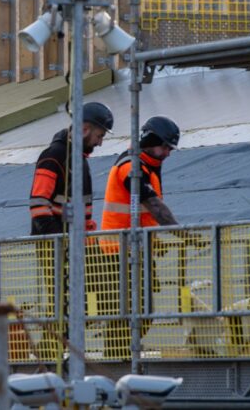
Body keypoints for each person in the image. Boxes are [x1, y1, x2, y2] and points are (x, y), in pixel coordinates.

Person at [28, 101, 114, 359]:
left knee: (106, 288)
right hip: (56, 245)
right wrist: (62, 243)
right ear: (85, 129)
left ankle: (111, 349)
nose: (100, 143)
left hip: (76, 243)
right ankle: (47, 359)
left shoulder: (77, 159)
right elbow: (38, 205)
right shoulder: (54, 156)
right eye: (99, 136)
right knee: (65, 304)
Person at [96, 115, 181, 359]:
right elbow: (153, 205)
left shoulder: (144, 166)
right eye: (164, 146)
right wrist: (180, 233)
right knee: (123, 311)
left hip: (135, 250)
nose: (167, 153)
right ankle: (118, 358)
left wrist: (155, 240)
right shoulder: (131, 167)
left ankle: (122, 354)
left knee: (139, 309)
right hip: (118, 253)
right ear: (149, 140)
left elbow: (145, 215)